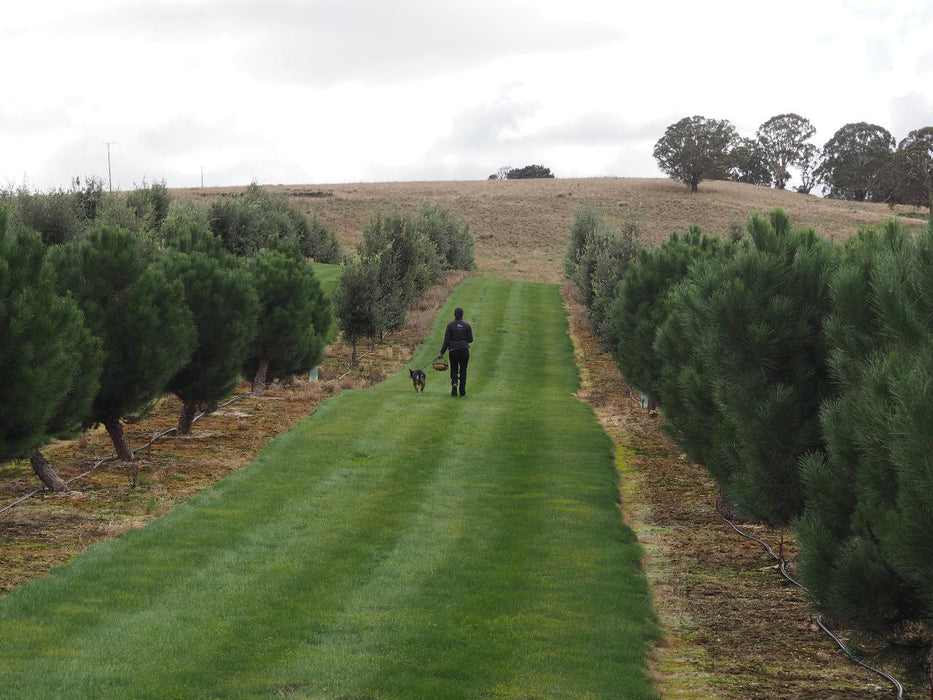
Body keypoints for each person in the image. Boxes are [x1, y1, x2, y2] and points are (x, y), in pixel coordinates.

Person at [438, 307, 473, 397]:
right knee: (463, 371)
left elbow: (447, 340)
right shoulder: (467, 326)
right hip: (464, 350)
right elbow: (470, 339)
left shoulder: (450, 325)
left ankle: (454, 383)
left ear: (454, 314)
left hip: (453, 350)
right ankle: (462, 393)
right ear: (462, 315)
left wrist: (441, 352)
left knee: (454, 368)